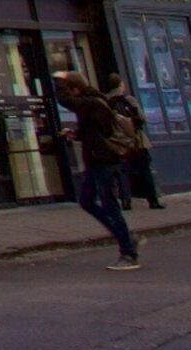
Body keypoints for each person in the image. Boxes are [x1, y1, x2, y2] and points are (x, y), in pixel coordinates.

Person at [49, 68, 142, 268]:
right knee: (87, 201)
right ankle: (125, 237)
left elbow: (67, 102)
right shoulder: (94, 102)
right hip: (96, 160)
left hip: (104, 161)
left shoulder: (91, 103)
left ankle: (128, 252)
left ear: (74, 89)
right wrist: (76, 134)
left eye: (70, 89)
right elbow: (95, 130)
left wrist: (58, 79)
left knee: (109, 204)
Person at [103, 75, 163, 209]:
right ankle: (153, 200)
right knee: (144, 170)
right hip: (136, 141)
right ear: (120, 85)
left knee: (122, 172)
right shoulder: (129, 100)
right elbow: (141, 118)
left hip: (117, 142)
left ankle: (126, 201)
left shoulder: (105, 102)